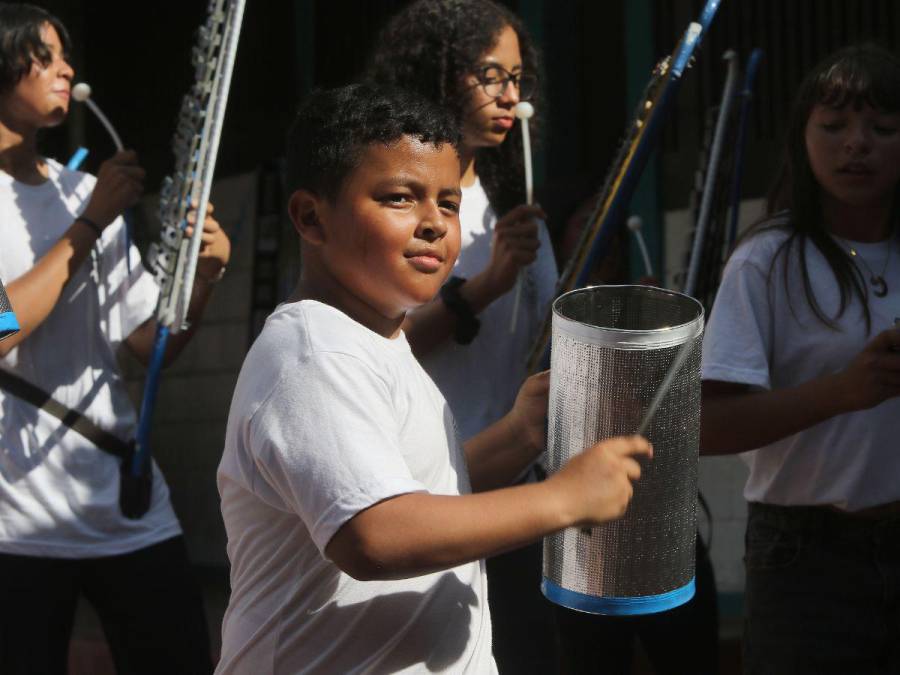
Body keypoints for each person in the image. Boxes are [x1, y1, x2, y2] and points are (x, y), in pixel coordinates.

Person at [215, 83, 652, 674]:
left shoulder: (378, 338)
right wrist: (563, 498)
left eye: (448, 203)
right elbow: (377, 532)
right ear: (311, 218)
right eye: (400, 198)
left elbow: (419, 488)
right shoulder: (314, 352)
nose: (434, 224)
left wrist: (522, 433)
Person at [0, 5, 230, 674]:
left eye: (66, 55)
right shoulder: (90, 204)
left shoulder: (80, 186)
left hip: (123, 496)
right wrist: (89, 225)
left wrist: (205, 275)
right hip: (16, 515)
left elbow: (145, 341)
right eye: (41, 56)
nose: (65, 69)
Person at [365, 3, 559, 669]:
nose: (510, 96)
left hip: (518, 490)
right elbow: (373, 341)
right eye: (489, 75)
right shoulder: (399, 199)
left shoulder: (513, 204)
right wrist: (483, 287)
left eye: (518, 79)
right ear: (440, 77)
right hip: (432, 491)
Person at [701, 44, 900, 674]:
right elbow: (706, 425)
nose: (857, 144)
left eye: (883, 128)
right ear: (802, 139)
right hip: (806, 561)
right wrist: (844, 390)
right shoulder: (767, 260)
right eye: (834, 126)